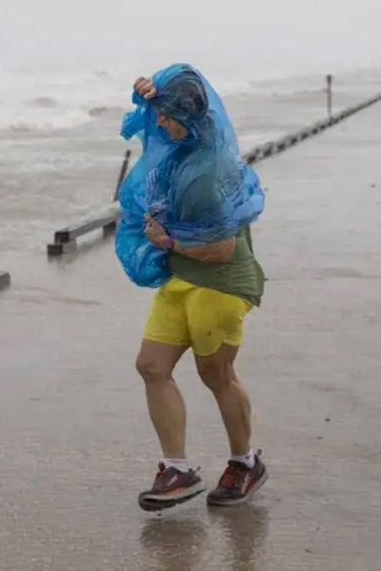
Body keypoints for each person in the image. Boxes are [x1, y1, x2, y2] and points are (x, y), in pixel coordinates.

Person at [121, 66, 268, 511]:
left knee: (215, 375)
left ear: (187, 118)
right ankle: (177, 469)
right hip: (182, 275)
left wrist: (168, 241)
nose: (159, 124)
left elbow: (221, 249)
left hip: (220, 281)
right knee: (151, 365)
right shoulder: (182, 138)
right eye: (160, 115)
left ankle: (245, 463)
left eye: (166, 116)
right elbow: (162, 105)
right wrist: (149, 93)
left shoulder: (204, 175)